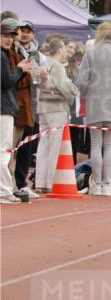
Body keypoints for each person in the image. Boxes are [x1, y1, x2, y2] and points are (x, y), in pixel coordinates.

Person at [77, 21, 111, 196]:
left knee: (96, 145)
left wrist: (86, 94)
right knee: (109, 145)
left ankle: (96, 184)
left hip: (95, 102)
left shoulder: (90, 53)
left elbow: (82, 81)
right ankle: (107, 185)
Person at [34, 38, 79, 193]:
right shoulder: (58, 67)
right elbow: (66, 89)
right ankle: (51, 182)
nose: (67, 51)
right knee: (55, 146)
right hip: (57, 108)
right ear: (60, 49)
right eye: (65, 48)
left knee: (43, 144)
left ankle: (40, 182)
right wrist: (74, 90)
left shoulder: (43, 64)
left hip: (43, 107)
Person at [1, 18, 34, 203]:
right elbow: (6, 80)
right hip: (4, 108)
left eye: (12, 36)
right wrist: (21, 69)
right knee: (4, 151)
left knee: (5, 151)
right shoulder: (2, 55)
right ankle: (5, 190)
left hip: (8, 107)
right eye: (6, 35)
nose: (10, 39)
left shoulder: (5, 54)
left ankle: (7, 189)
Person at [12, 21, 44, 197]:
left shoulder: (38, 55)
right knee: (11, 147)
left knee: (27, 148)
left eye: (28, 31)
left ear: (33, 34)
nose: (25, 34)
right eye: (22, 31)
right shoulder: (13, 51)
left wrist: (44, 77)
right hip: (15, 105)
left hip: (32, 106)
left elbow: (42, 80)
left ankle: (21, 183)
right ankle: (10, 184)